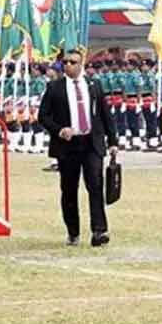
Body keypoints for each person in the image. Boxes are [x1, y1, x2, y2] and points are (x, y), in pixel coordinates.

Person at [39, 49, 119, 247]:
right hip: (68, 144)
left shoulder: (93, 85)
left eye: (72, 62)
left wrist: (113, 141)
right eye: (65, 62)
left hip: (91, 142)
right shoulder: (55, 88)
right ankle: (73, 231)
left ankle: (99, 231)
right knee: (69, 190)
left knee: (95, 186)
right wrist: (59, 130)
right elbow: (43, 116)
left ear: (81, 63)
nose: (68, 66)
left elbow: (104, 114)